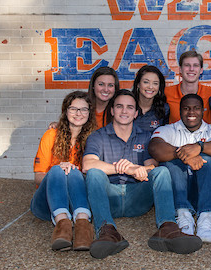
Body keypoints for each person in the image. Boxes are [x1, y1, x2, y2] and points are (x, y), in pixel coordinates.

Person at [82, 90, 202, 259]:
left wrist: (139, 169)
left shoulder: (146, 136)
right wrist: (124, 168)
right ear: (112, 111)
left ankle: (167, 228)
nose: (124, 111)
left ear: (136, 113)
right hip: (108, 198)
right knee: (94, 173)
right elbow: (87, 164)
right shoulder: (97, 136)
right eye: (119, 106)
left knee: (161, 171)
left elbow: (151, 166)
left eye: (130, 107)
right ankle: (107, 231)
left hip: (137, 198)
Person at [149, 94, 211, 243]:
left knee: (209, 160)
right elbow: (155, 148)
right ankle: (183, 216)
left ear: (203, 111)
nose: (191, 112)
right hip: (180, 194)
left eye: (196, 108)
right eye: (186, 108)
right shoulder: (168, 129)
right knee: (171, 162)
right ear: (179, 110)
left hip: (209, 192)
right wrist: (184, 155)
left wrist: (199, 147)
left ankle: (206, 218)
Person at [31, 91, 97, 251]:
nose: (78, 113)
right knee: (58, 169)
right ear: (65, 111)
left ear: (89, 113)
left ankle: (82, 226)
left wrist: (74, 171)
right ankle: (62, 223)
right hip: (47, 205)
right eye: (74, 108)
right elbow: (39, 177)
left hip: (77, 203)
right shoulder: (51, 135)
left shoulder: (95, 138)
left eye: (84, 109)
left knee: (74, 171)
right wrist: (59, 170)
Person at [165, 50, 211, 124]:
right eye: (187, 65)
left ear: (201, 70)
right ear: (180, 69)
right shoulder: (167, 93)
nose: (191, 69)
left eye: (195, 65)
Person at [132, 65, 169, 132]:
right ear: (138, 84)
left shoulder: (164, 109)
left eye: (155, 83)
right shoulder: (128, 106)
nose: (150, 87)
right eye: (146, 82)